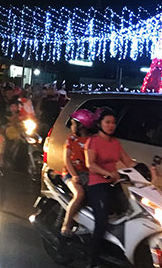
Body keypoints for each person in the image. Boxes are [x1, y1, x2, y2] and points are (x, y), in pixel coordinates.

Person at [85, 107, 136, 268]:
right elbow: (90, 164)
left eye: (113, 122)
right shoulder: (93, 141)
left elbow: (129, 162)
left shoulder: (115, 143)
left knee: (127, 213)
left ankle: (114, 249)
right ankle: (91, 260)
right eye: (107, 122)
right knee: (102, 220)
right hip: (97, 185)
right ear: (99, 124)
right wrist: (106, 173)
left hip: (114, 184)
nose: (111, 125)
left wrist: (147, 170)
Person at [60, 108, 96, 236]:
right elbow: (66, 160)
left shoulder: (93, 141)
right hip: (70, 174)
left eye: (73, 123)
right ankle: (66, 224)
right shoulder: (71, 140)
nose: (71, 125)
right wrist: (74, 176)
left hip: (87, 175)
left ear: (81, 126)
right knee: (80, 194)